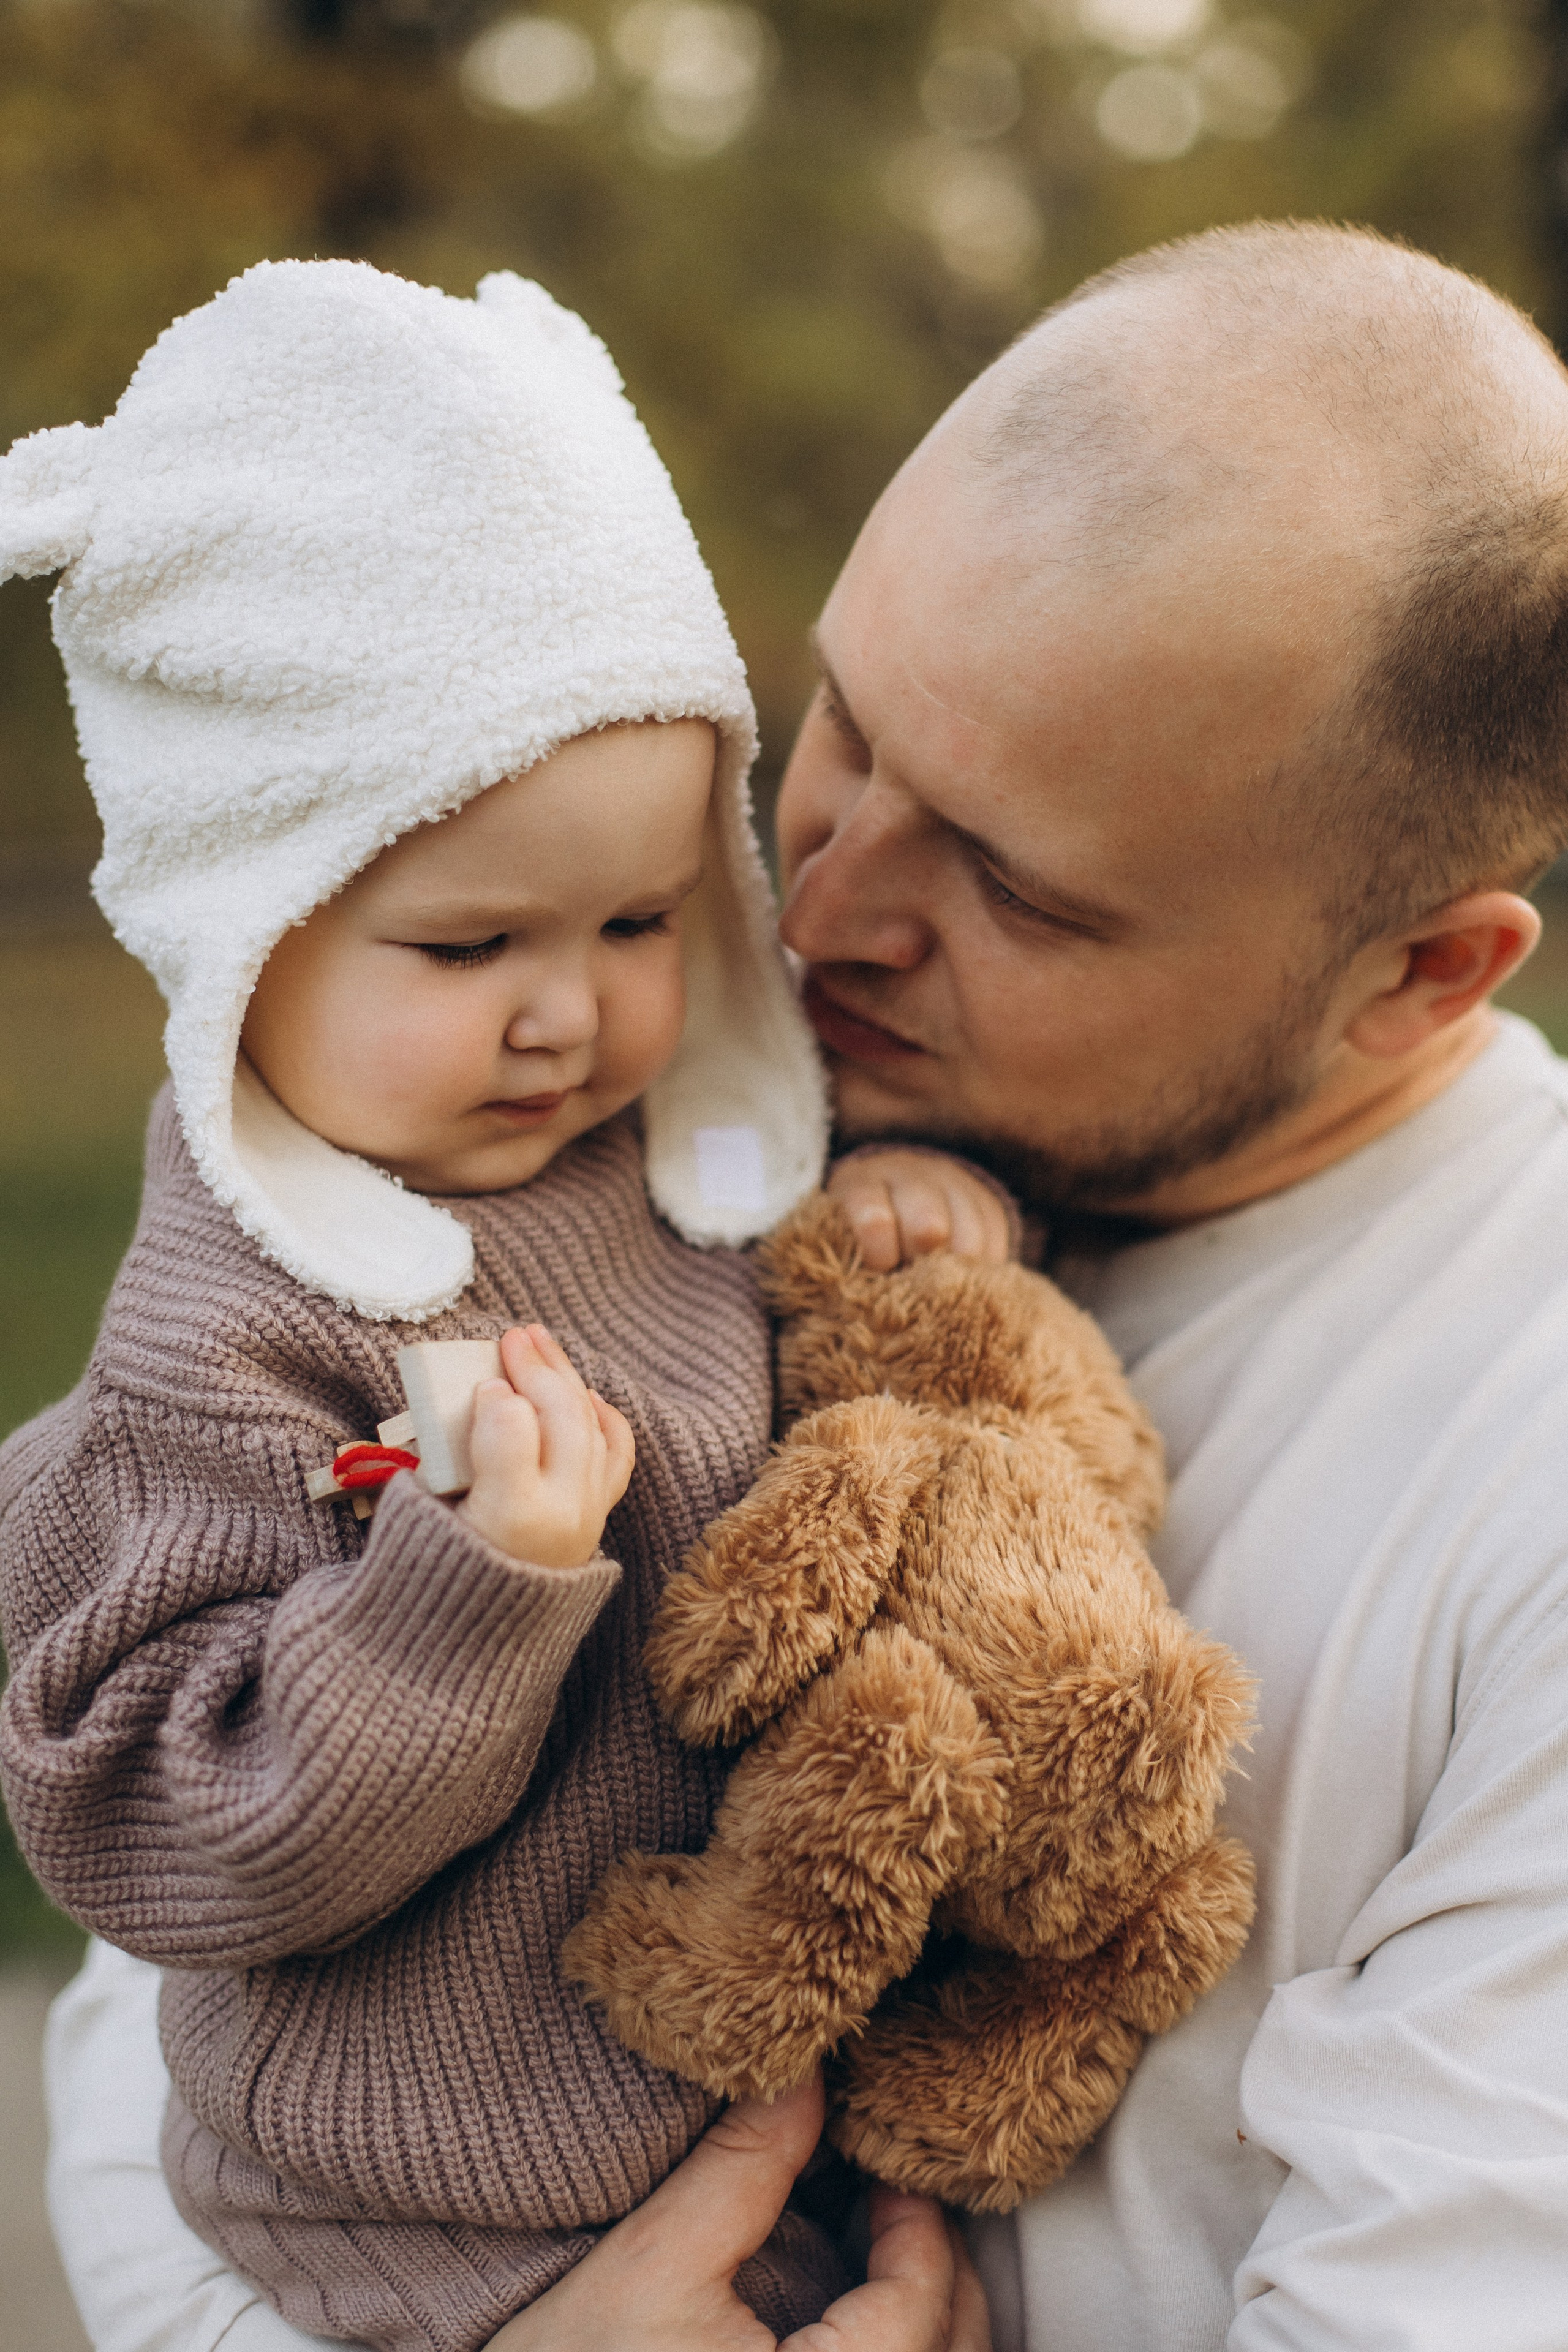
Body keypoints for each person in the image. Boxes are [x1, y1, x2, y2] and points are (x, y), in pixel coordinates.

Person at [39, 211, 1568, 2352]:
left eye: (1017, 886)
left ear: (1423, 974)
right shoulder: (606, 1142)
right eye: (842, 726)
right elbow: (151, 2029)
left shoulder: (1525, 1461)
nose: (822, 906)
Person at [0, 258, 1004, 2352]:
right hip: (447, 2217)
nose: (569, 1014)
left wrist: (870, 1221)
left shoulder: (656, 1160)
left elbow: (771, 1408)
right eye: (468, 947)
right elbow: (173, 1836)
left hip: (752, 2096)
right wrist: (459, 1586)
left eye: (643, 916)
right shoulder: (237, 1339)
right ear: (239, 922)